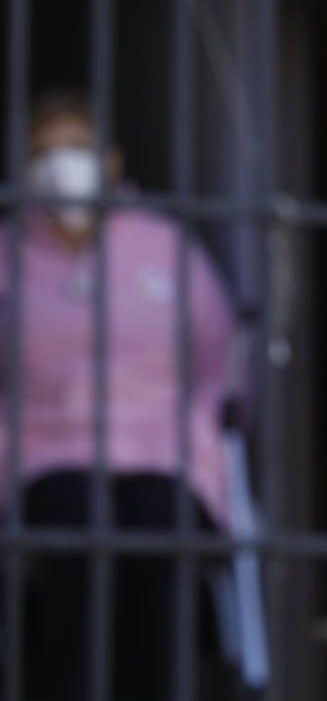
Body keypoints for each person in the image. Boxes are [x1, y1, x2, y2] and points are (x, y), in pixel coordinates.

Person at [0, 90, 240, 701]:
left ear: (112, 161)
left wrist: (207, 433)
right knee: (74, 529)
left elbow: (220, 358)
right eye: (44, 152)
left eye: (77, 148)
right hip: (45, 456)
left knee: (157, 530)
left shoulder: (164, 244)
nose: (61, 165)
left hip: (165, 455)